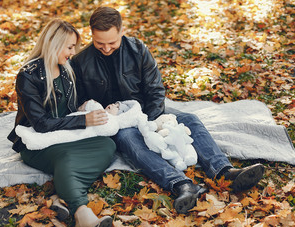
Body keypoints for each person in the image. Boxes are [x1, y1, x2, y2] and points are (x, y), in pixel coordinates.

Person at [71, 7, 265, 214]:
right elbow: (81, 102)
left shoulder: (138, 50)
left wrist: (153, 122)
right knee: (130, 141)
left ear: (121, 31)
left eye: (112, 42)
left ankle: (224, 172)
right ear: (91, 34)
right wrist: (107, 114)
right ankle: (182, 185)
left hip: (148, 110)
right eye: (100, 43)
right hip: (118, 122)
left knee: (189, 119)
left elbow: (155, 89)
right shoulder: (80, 62)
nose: (107, 48)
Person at [7, 19, 115, 227]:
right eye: (69, 47)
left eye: (73, 46)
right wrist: (84, 121)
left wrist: (83, 108)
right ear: (54, 44)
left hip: (64, 135)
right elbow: (42, 124)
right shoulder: (27, 76)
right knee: (67, 157)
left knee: (107, 145)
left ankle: (60, 195)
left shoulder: (66, 69)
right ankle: (81, 212)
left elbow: (67, 107)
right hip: (36, 141)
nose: (72, 52)